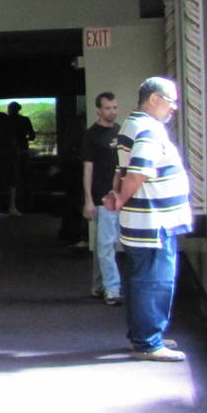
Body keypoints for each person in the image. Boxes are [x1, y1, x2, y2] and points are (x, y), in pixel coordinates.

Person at [101, 77, 192, 362]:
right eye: (171, 101)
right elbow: (138, 173)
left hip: (146, 222)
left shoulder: (132, 124)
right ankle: (148, 342)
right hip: (153, 223)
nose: (173, 108)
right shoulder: (148, 129)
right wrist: (120, 198)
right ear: (154, 98)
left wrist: (117, 196)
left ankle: (145, 337)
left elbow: (122, 170)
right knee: (155, 281)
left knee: (144, 280)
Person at [80, 91, 122, 305]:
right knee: (106, 243)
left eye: (114, 107)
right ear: (98, 110)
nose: (112, 112)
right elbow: (88, 169)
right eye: (107, 108)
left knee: (105, 244)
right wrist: (88, 199)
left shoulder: (119, 131)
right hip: (101, 196)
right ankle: (112, 289)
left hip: (119, 195)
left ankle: (98, 286)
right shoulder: (92, 135)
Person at [8, 101, 36, 211]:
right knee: (26, 178)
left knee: (14, 179)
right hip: (24, 152)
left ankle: (14, 205)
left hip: (11, 154)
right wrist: (25, 139)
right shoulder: (25, 120)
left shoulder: (7, 121)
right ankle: (28, 206)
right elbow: (32, 135)